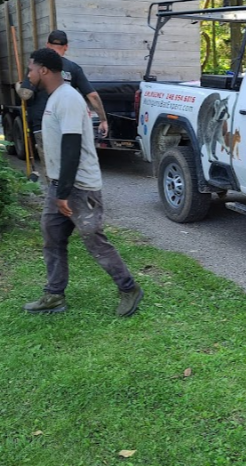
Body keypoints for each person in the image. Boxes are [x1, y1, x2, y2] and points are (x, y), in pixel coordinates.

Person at [23, 48, 143, 317]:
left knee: (94, 240)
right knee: (52, 238)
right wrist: (57, 189)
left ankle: (129, 288)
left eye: (31, 69)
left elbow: (71, 147)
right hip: (61, 185)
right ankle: (54, 295)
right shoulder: (55, 98)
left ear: (43, 70)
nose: (28, 75)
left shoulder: (68, 98)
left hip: (79, 187)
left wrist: (63, 192)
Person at [17, 30, 109, 176]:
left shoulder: (38, 67)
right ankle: (70, 192)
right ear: (66, 47)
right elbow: (92, 96)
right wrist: (103, 120)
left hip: (42, 125)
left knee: (52, 170)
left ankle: (57, 195)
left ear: (47, 45)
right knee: (71, 164)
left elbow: (25, 94)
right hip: (67, 124)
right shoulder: (73, 68)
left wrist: (18, 86)